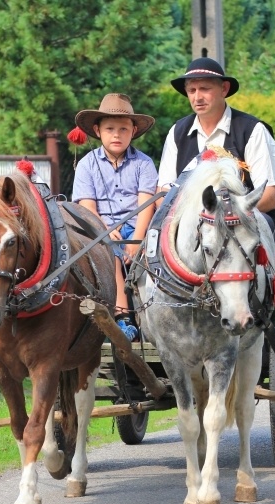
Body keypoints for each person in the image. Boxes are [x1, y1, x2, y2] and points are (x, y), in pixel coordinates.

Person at [156, 57, 275, 218]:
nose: (197, 97)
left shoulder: (252, 130)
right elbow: (164, 193)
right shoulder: (177, 132)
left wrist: (227, 215)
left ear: (224, 89)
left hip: (243, 223)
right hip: (190, 226)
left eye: (204, 89)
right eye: (192, 90)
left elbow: (268, 198)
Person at [72, 93, 157, 338]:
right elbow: (88, 209)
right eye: (110, 129)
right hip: (101, 228)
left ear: (134, 130)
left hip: (138, 227)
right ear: (98, 131)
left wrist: (138, 240)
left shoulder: (144, 164)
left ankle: (158, 317)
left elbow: (146, 205)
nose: (116, 134)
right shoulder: (88, 164)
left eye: (123, 128)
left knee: (156, 254)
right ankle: (123, 317)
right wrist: (106, 229)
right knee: (112, 255)